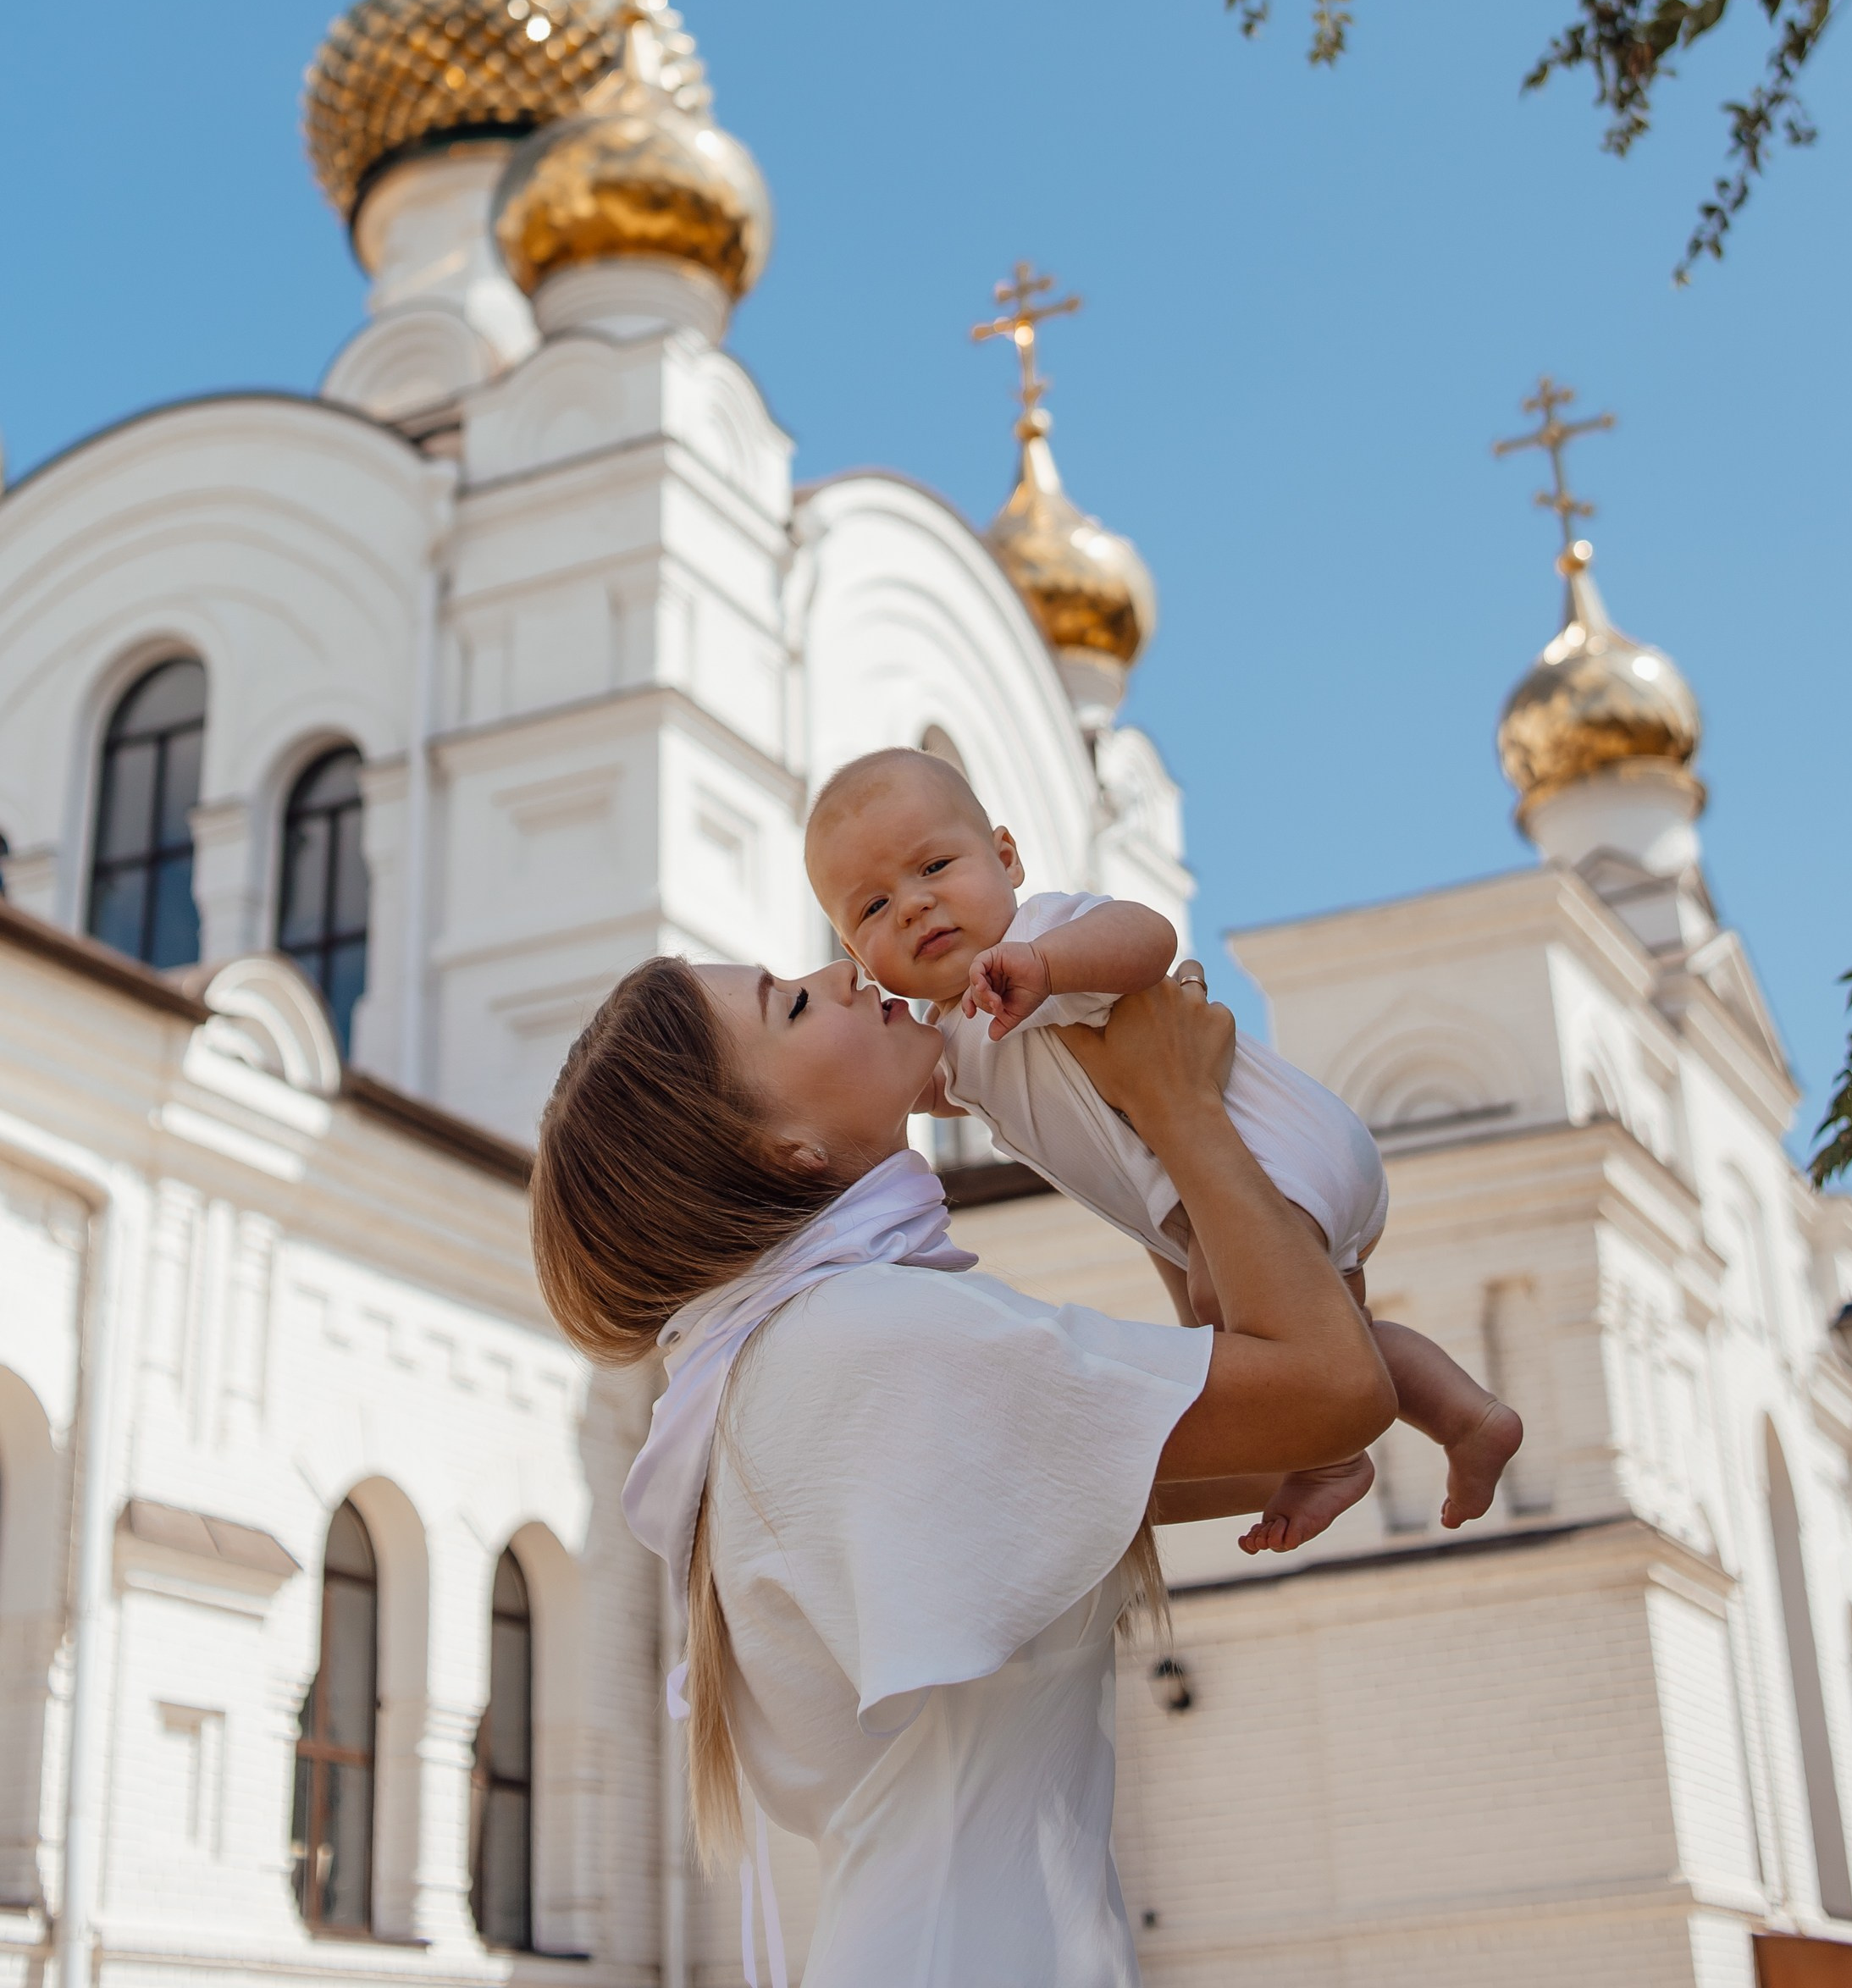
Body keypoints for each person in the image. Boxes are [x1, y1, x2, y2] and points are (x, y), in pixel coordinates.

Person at [532, 954, 1395, 1988]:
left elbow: (1276, 1440)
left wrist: (1119, 1124)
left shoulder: (797, 1361)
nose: (840, 970)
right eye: (792, 1006)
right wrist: (1174, 1110)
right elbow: (1333, 1393)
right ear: (783, 1148)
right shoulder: (865, 1339)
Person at [804, 744, 1522, 1547]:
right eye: (873, 908)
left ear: (1006, 859)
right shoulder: (952, 1040)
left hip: (1269, 1151)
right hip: (1229, 1189)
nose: (913, 905)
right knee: (1312, 1343)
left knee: (1248, 1336)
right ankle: (1464, 1420)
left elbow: (1150, 936)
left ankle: (1335, 1458)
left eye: (935, 866)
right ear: (856, 956)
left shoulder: (1042, 934)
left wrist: (1049, 964)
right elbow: (924, 1089)